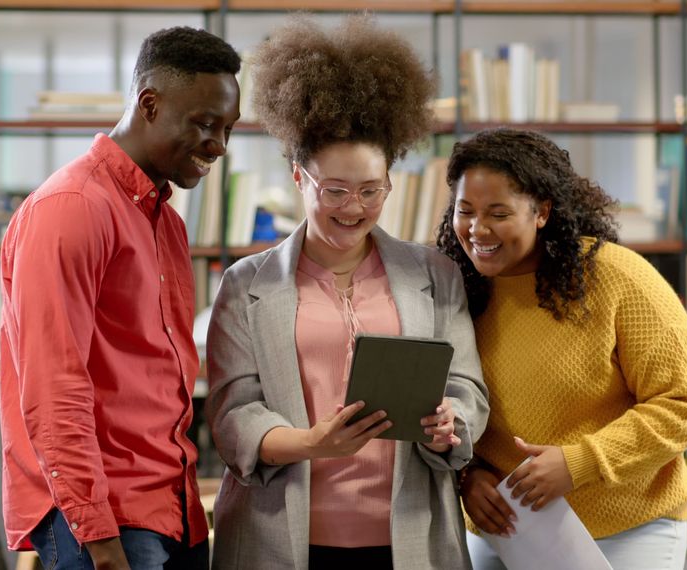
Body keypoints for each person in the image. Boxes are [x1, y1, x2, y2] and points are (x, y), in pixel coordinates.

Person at [204, 15, 490, 570]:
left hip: (408, 538)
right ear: (297, 176)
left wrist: (450, 423)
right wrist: (312, 443)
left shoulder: (436, 275)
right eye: (334, 190)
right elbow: (232, 413)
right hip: (279, 540)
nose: (353, 208)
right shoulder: (245, 284)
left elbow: (467, 389)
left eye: (371, 190)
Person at [0, 27, 240, 570]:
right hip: (108, 522)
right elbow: (54, 387)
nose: (219, 145)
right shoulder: (72, 208)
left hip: (171, 508)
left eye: (227, 129)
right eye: (205, 123)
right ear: (149, 104)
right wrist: (100, 542)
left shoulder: (166, 223)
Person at [435, 128, 687, 570]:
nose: (476, 228)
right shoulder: (455, 291)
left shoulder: (617, 278)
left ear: (542, 211)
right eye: (464, 210)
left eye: (498, 213)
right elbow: (449, 406)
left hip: (627, 526)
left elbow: (685, 404)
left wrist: (579, 462)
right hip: (506, 529)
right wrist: (466, 477)